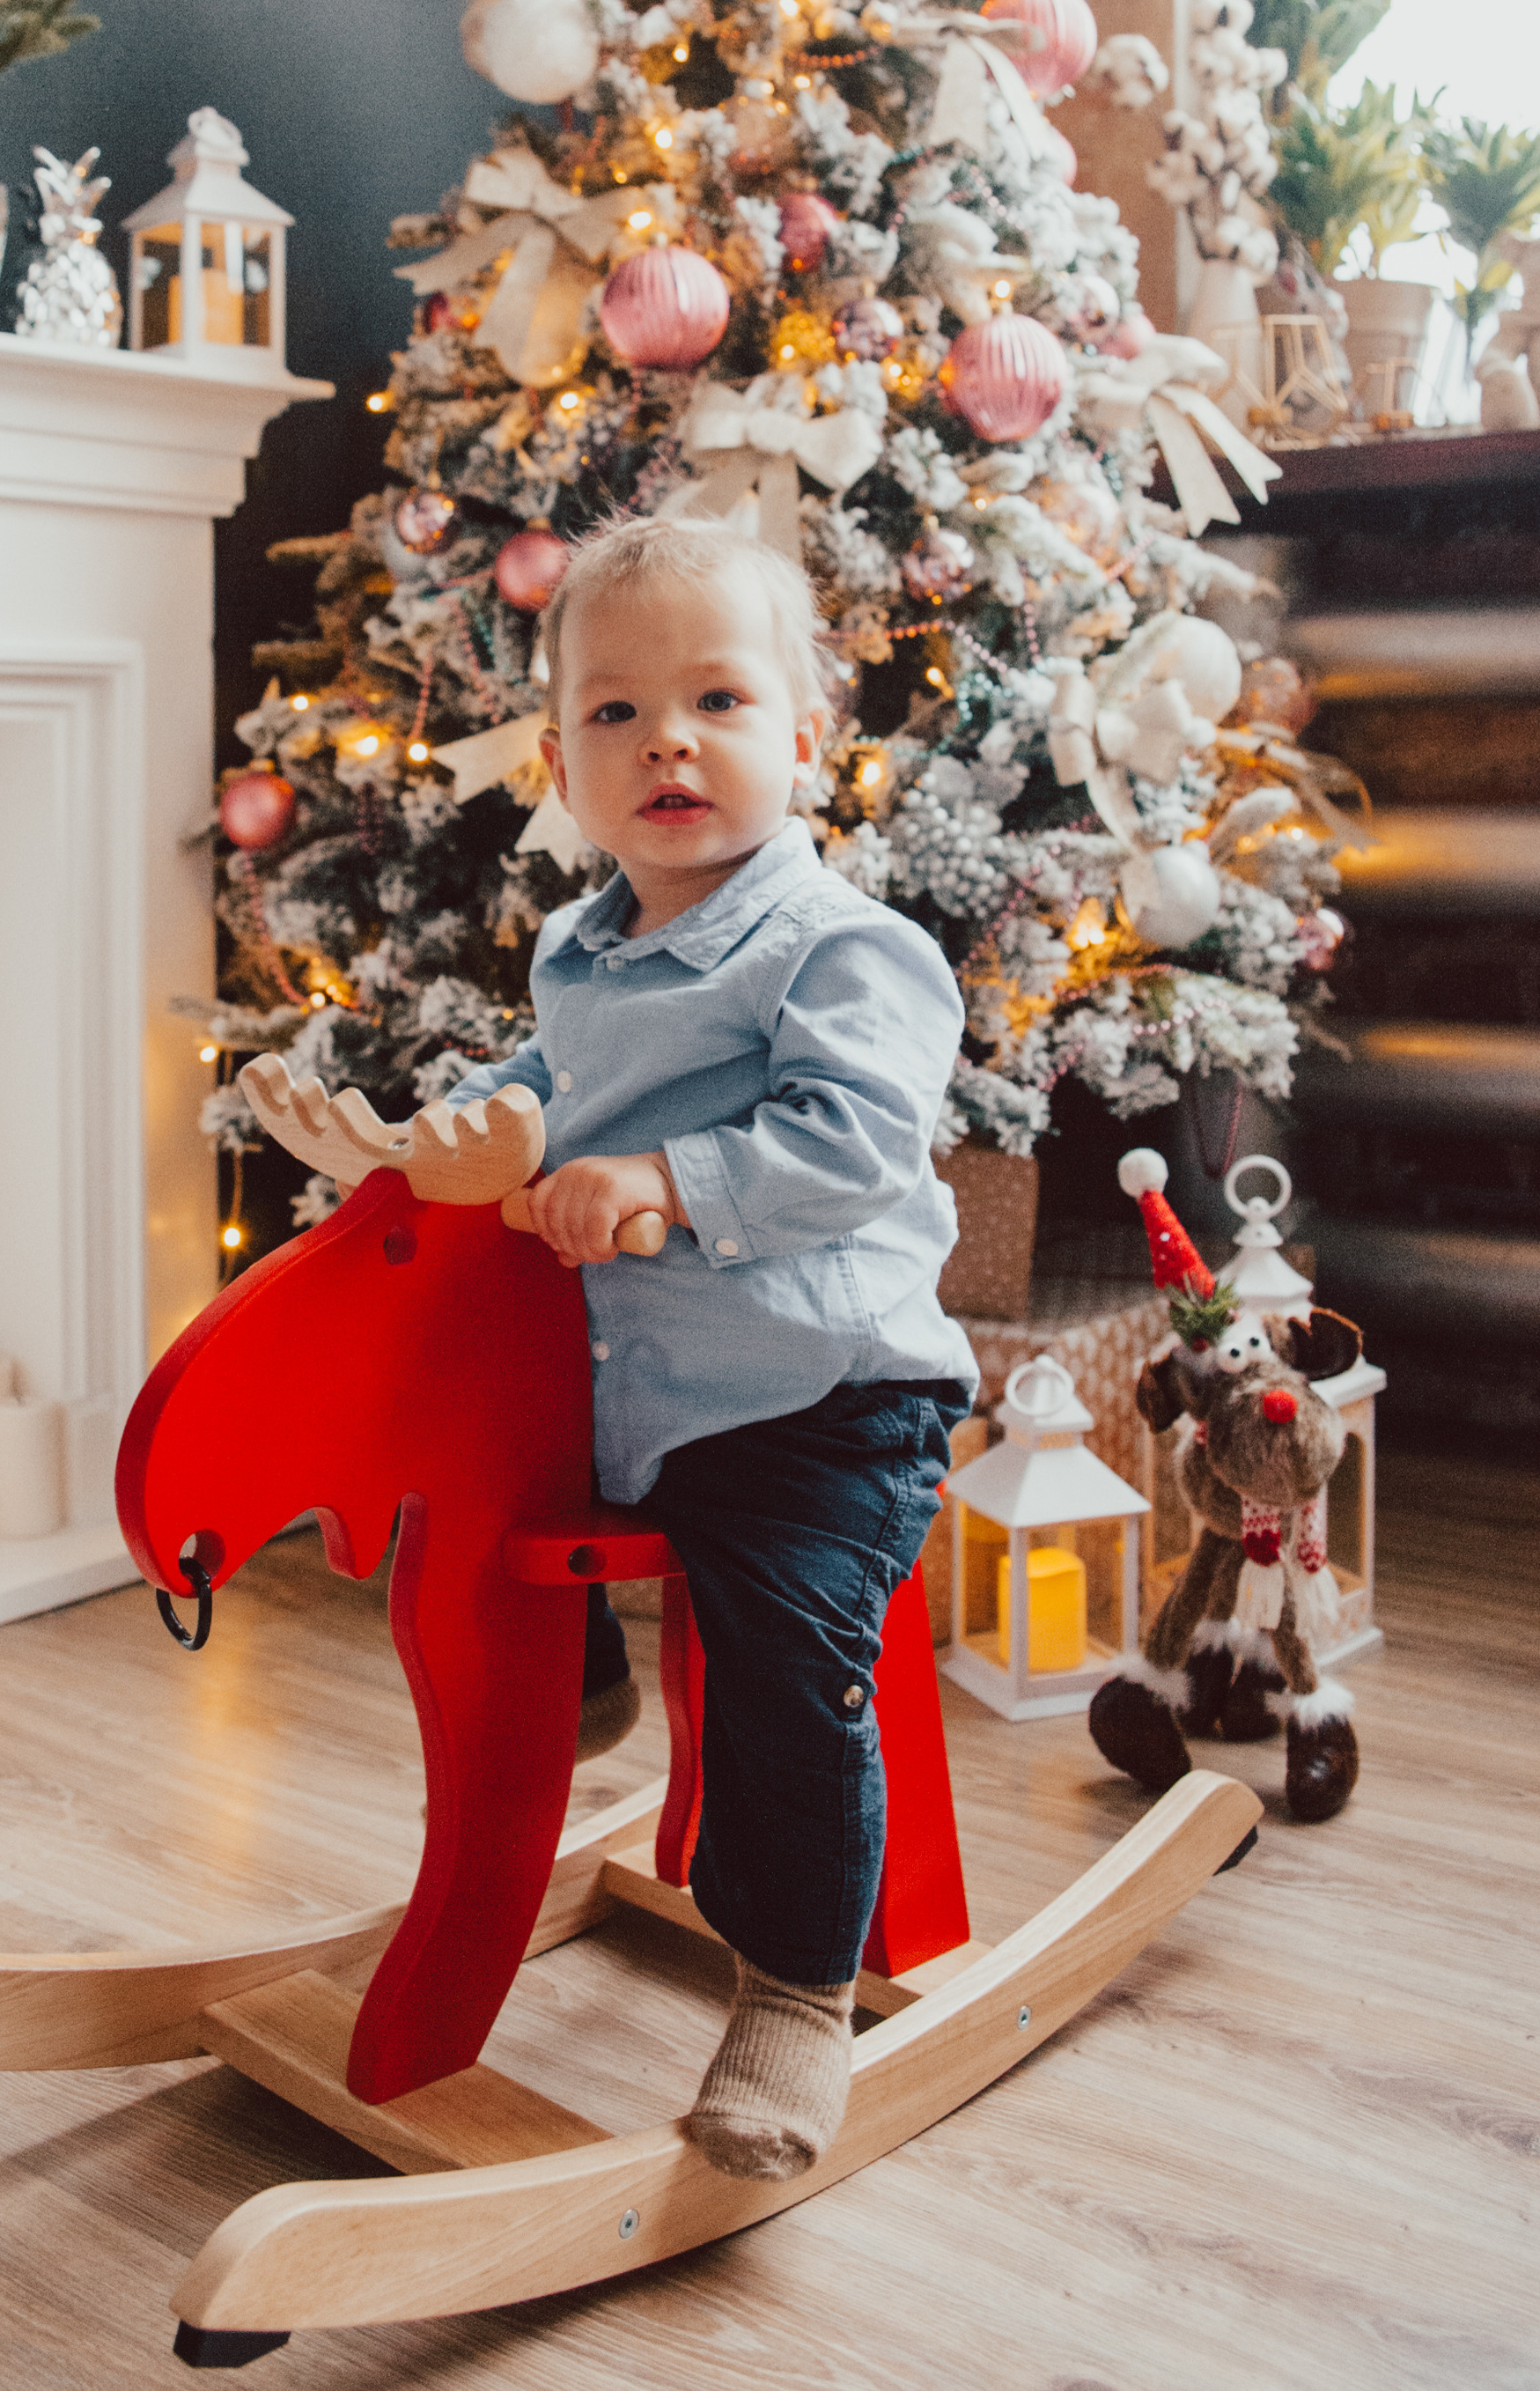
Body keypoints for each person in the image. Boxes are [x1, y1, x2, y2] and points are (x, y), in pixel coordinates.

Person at [443, 516, 976, 2180]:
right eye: (615, 714)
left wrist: (670, 1181)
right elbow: (546, 1084)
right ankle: (584, 1663)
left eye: (720, 700)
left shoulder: (842, 949)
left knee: (779, 1640)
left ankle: (795, 1992)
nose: (666, 739)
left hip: (829, 1400)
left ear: (804, 742)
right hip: (657, 1392)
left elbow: (856, 1144)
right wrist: (471, 1130)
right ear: (560, 765)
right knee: (454, 1457)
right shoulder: (583, 949)